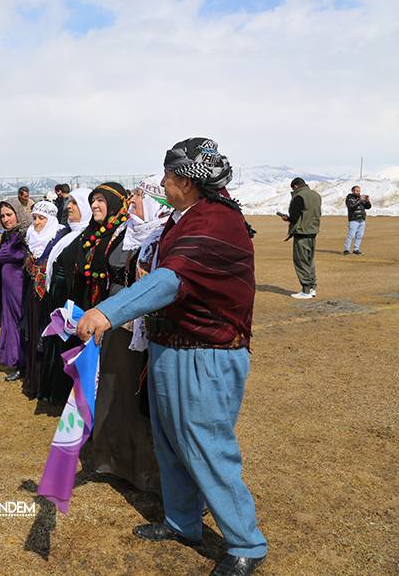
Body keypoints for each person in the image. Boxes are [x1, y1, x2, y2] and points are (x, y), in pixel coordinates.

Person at [77, 138, 267, 576]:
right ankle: (183, 522)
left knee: (205, 445)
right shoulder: (187, 218)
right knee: (171, 442)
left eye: (167, 174)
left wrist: (106, 311)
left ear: (184, 180)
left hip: (206, 354)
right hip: (171, 348)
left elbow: (169, 281)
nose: (161, 182)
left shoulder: (217, 221)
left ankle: (246, 543)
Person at [88, 184, 170, 495]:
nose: (131, 202)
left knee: (139, 399)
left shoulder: (160, 236)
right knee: (114, 393)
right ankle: (115, 462)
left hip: (142, 325)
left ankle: (147, 472)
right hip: (115, 323)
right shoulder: (126, 230)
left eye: (137, 197)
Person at [39, 187, 92, 404]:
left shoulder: (86, 237)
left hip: (71, 304)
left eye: (75, 203)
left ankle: (66, 394)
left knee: (68, 348)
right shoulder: (70, 234)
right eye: (69, 202)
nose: (69, 206)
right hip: (58, 300)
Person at [20, 201, 63, 400]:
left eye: (41, 218)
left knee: (47, 337)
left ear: (50, 219)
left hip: (49, 296)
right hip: (32, 294)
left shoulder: (58, 237)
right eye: (35, 217)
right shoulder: (30, 236)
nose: (37, 222)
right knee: (33, 334)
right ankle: (34, 382)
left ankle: (48, 384)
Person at [75, 183, 130, 309]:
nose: (94, 205)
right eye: (93, 201)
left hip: (114, 305)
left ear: (114, 203)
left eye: (100, 200)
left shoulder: (125, 234)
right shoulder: (90, 233)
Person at [0, 199, 29, 380]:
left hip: (20, 286)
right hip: (8, 289)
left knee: (20, 323)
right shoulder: (8, 235)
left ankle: (25, 362)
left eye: (9, 214)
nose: (6, 219)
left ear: (18, 214)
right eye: (3, 216)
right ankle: (16, 361)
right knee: (10, 323)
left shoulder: (26, 234)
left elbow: (24, 256)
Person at [281, 177, 321, 299]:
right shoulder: (316, 195)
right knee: (309, 261)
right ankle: (312, 287)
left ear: (295, 186)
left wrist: (287, 218)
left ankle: (306, 290)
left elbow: (294, 217)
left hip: (302, 232)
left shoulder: (299, 196)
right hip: (312, 231)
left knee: (301, 261)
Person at [343, 185, 371, 255]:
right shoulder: (349, 198)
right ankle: (346, 249)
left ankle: (356, 249)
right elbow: (351, 207)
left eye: (359, 191)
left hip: (361, 219)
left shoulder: (361, 198)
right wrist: (360, 200)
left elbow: (368, 207)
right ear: (352, 191)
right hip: (353, 219)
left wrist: (367, 201)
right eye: (357, 191)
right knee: (351, 235)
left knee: (359, 235)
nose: (358, 192)